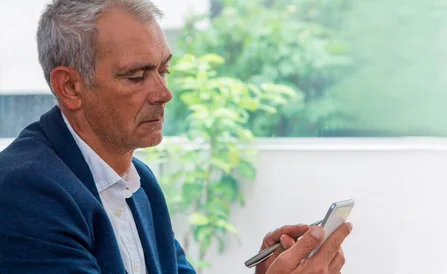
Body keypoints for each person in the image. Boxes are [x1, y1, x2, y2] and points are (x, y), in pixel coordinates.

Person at [0, 0, 352, 273]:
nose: (163, 93)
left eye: (163, 70)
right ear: (71, 87)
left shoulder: (142, 186)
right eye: (137, 76)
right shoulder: (25, 192)